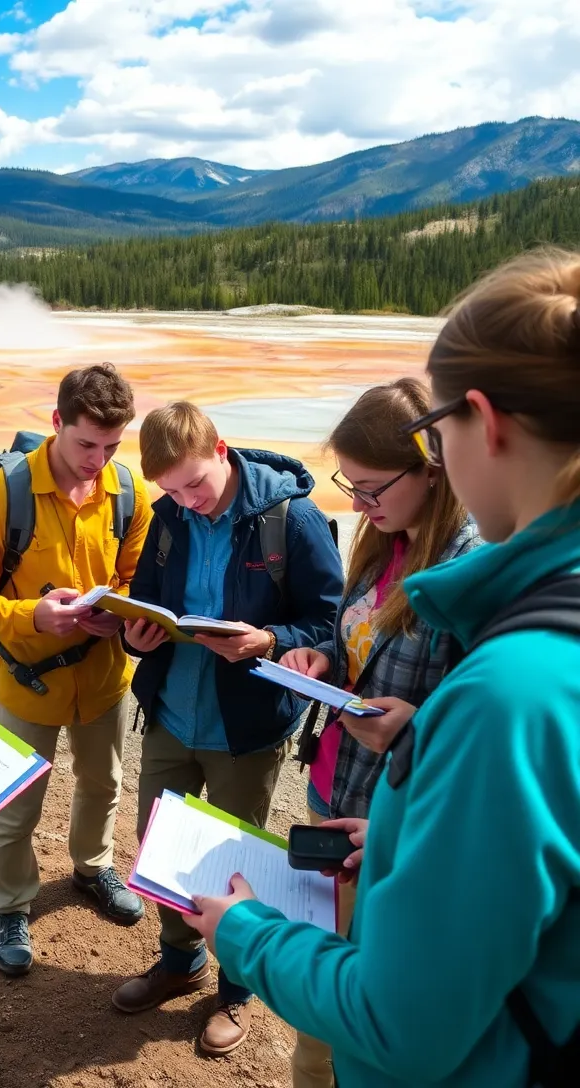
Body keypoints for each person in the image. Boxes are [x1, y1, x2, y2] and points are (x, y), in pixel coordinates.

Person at [184, 248, 580, 1088]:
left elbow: (401, 1026)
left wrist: (246, 931)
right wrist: (406, 834)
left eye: (439, 433)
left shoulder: (513, 696)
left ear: (484, 421)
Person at [111, 401, 343, 1057]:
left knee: (237, 863)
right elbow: (150, 608)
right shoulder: (168, 520)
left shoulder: (290, 521)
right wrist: (136, 636)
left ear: (222, 450)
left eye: (194, 484)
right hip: (171, 716)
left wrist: (268, 640)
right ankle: (181, 960)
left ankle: (237, 990)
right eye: (171, 490)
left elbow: (329, 626)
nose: (186, 500)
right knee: (158, 847)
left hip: (246, 729)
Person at [278, 378, 479, 1088]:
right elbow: (356, 638)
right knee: (321, 974)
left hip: (393, 813)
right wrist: (323, 658)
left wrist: (415, 729)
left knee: (355, 986)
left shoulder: (467, 566)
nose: (358, 504)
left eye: (369, 488)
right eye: (349, 487)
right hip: (333, 782)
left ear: (431, 466)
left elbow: (478, 723)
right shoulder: (380, 536)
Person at [0, 362, 152, 977]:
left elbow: (136, 577)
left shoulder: (127, 491)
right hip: (29, 681)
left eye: (112, 446)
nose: (97, 460)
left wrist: (126, 613)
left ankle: (92, 867)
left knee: (102, 783)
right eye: (86, 443)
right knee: (16, 803)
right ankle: (9, 904)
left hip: (105, 678)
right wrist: (32, 615)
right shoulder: (5, 494)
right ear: (56, 423)